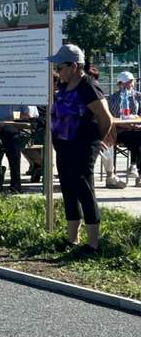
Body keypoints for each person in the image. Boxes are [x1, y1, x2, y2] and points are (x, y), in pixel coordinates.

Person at [48, 44, 114, 254]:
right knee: (68, 190)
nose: (57, 71)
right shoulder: (64, 86)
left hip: (82, 146)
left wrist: (98, 140)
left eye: (60, 67)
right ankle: (72, 239)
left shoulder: (88, 87)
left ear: (74, 66)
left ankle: (93, 244)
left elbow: (106, 118)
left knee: (85, 191)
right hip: (64, 146)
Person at [0, 104, 39, 193]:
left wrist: (7, 121)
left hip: (19, 131)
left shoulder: (23, 97)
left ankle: (15, 186)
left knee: (13, 146)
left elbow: (29, 115)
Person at [103, 71, 141, 187]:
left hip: (136, 129)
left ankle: (135, 167)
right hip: (119, 131)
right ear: (119, 84)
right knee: (136, 139)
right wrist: (129, 125)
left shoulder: (138, 96)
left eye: (131, 82)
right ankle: (134, 167)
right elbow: (114, 118)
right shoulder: (113, 98)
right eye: (125, 83)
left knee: (138, 137)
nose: (129, 85)